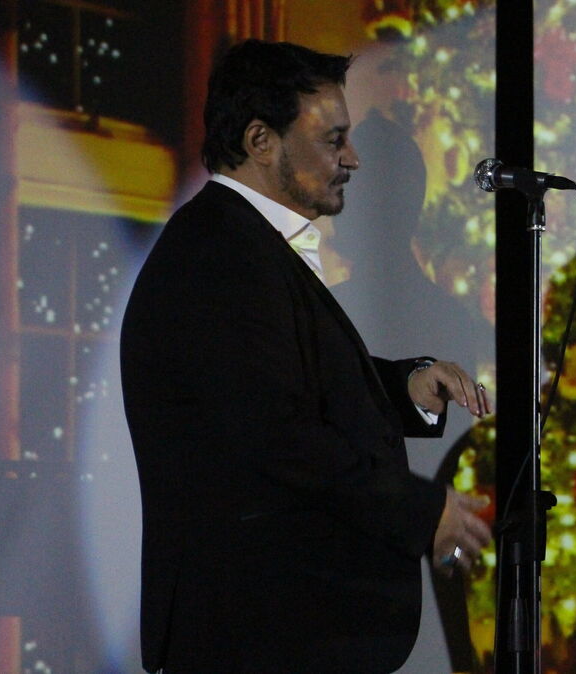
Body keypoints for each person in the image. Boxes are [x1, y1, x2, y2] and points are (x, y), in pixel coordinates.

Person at [120, 40, 492, 673]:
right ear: (262, 141)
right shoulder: (219, 255)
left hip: (280, 630)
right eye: (333, 139)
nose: (352, 158)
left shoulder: (239, 245)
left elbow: (287, 382)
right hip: (258, 636)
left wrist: (406, 384)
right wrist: (421, 509)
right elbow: (276, 431)